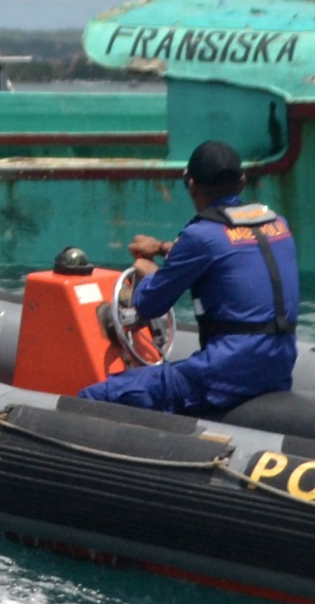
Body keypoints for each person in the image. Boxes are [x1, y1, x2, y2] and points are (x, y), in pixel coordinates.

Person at [78, 139, 299, 417]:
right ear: (242, 182)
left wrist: (148, 269)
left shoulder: (200, 236)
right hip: (279, 366)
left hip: (225, 374)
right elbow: (230, 251)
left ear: (192, 184)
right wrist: (162, 248)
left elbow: (147, 305)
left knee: (92, 397)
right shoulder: (278, 223)